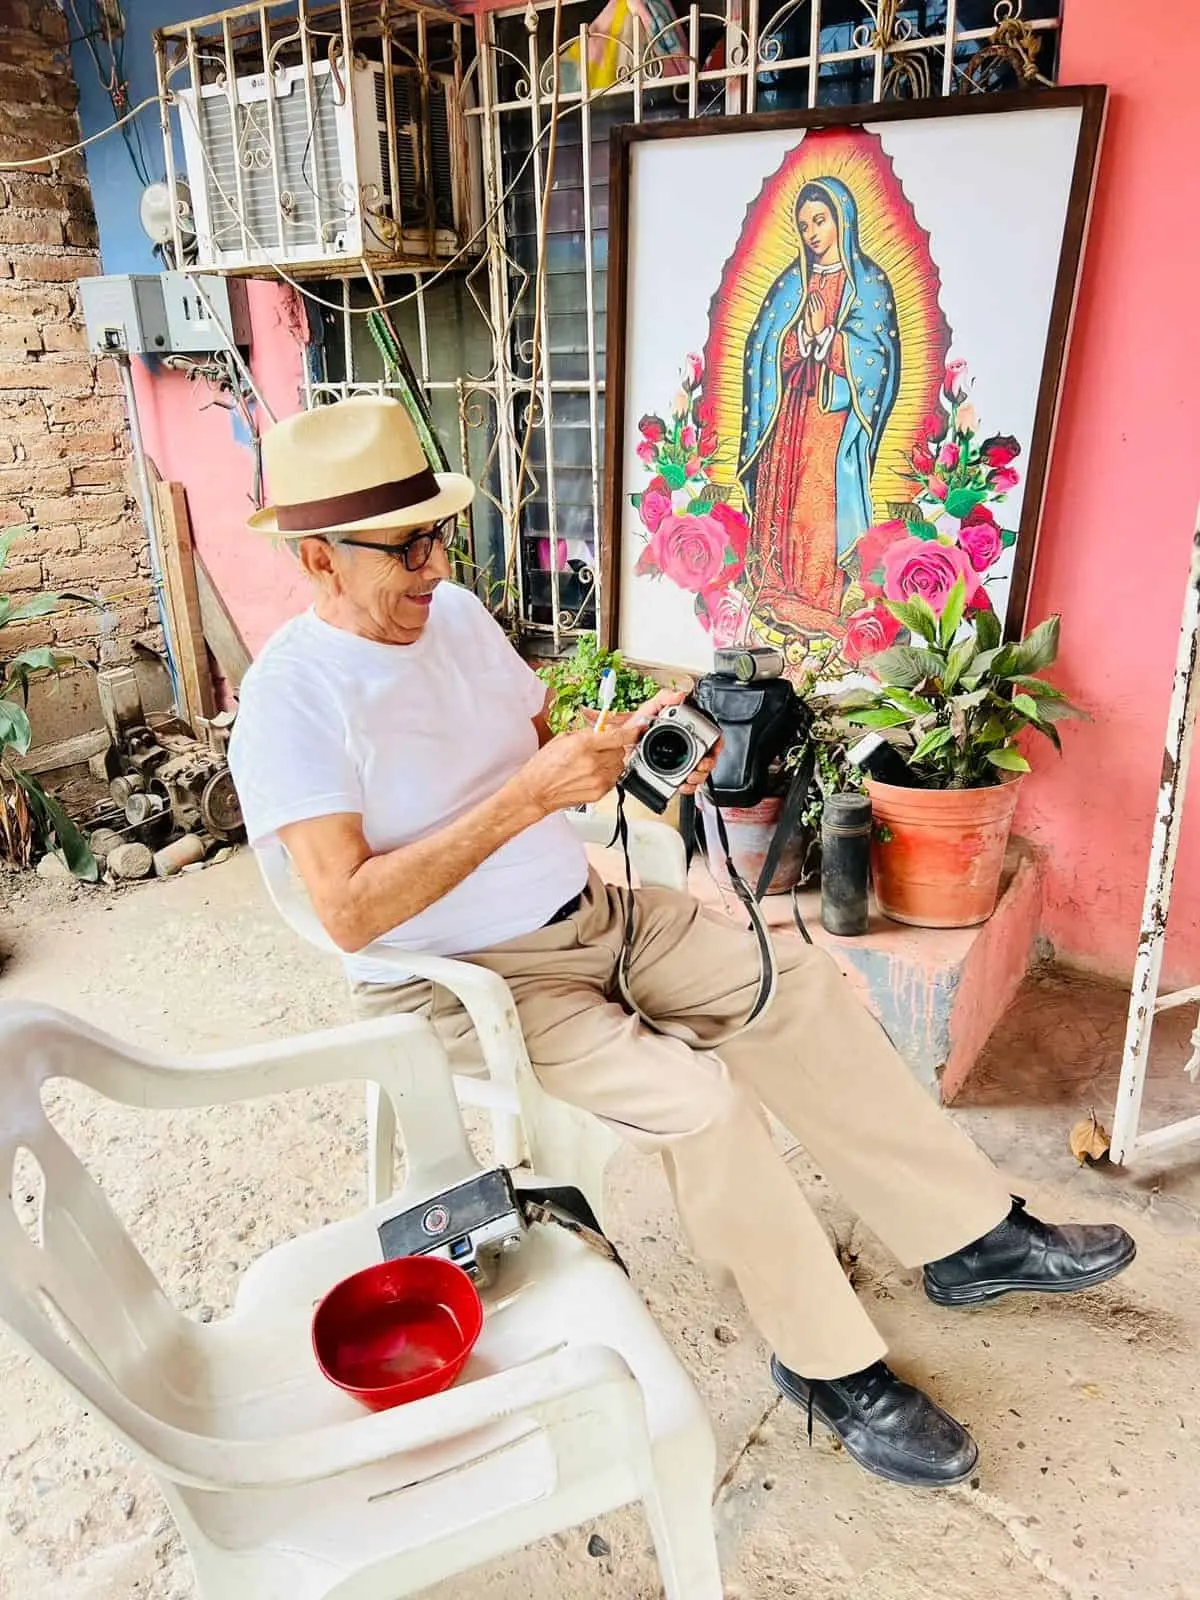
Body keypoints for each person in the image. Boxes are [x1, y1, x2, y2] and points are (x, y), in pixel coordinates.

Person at [230, 395, 1135, 1490]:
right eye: (404, 546)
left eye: (438, 533)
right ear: (319, 561)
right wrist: (528, 799)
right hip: (474, 982)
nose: (432, 563)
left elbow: (529, 752)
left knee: (794, 983)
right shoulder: (293, 700)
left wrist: (629, 764)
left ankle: (967, 1238)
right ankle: (828, 1363)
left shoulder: (455, 614)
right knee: (702, 1103)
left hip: (594, 912)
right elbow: (349, 911)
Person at [739, 178, 900, 635]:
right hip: (790, 411)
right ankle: (776, 588)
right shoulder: (793, 281)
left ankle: (819, 599)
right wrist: (800, 338)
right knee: (782, 494)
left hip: (833, 416)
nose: (811, 232)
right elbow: (763, 344)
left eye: (820, 220)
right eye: (804, 223)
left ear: (842, 220)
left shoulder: (867, 281)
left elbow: (876, 356)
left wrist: (830, 340)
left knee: (818, 502)